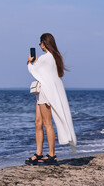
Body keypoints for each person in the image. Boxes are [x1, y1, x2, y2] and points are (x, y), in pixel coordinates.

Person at [25, 33, 76, 166]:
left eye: (40, 43)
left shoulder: (47, 57)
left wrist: (30, 63)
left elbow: (34, 71)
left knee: (47, 123)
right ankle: (39, 153)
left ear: (44, 43)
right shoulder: (54, 57)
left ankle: (52, 154)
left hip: (45, 93)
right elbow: (45, 73)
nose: (40, 46)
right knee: (38, 122)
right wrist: (35, 64)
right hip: (42, 92)